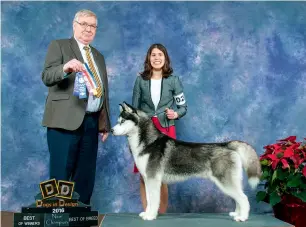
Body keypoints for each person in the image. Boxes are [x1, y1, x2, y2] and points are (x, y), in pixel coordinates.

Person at [41, 9, 111, 205]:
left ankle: (80, 217)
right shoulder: (59, 46)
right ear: (74, 25)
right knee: (60, 173)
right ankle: (58, 218)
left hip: (91, 122)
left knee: (85, 175)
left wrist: (104, 123)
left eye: (93, 26)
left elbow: (102, 91)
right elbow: (47, 76)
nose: (88, 29)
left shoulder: (99, 56)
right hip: (63, 122)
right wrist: (65, 68)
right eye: (84, 24)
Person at [132, 43, 188, 213]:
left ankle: (160, 215)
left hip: (165, 129)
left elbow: (183, 107)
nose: (157, 58)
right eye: (153, 55)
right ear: (149, 58)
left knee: (161, 174)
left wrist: (176, 114)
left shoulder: (174, 80)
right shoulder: (140, 80)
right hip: (145, 132)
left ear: (165, 58)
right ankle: (148, 211)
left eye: (160, 55)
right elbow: (134, 110)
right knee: (144, 174)